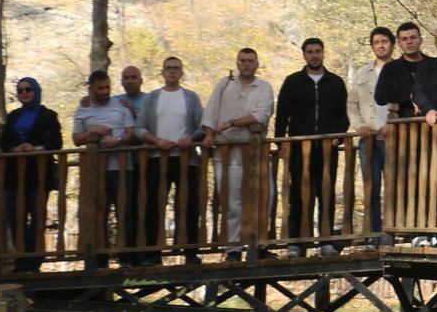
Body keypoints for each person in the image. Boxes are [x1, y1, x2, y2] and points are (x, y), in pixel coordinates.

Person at [274, 38, 350, 255]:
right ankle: (295, 243)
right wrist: (281, 143)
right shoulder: (292, 82)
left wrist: (339, 136)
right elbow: (282, 115)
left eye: (318, 51)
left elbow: (344, 115)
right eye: (310, 52)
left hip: (327, 148)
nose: (314, 55)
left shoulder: (335, 82)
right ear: (304, 55)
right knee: (298, 194)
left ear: (323, 53)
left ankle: (325, 241)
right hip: (299, 149)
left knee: (326, 193)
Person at [202, 48, 275, 252]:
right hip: (227, 155)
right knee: (232, 203)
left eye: (250, 61)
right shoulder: (224, 85)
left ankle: (259, 246)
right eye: (242, 61)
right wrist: (209, 134)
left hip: (254, 154)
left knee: (263, 198)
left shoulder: (263, 87)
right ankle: (233, 249)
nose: (246, 64)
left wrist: (231, 123)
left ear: (257, 64)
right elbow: (209, 114)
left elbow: (262, 115)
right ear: (237, 64)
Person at [136, 56, 204, 261]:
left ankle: (190, 252)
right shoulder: (152, 98)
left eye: (176, 68)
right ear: (163, 72)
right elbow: (140, 128)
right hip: (158, 158)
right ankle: (152, 253)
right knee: (154, 205)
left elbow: (202, 126)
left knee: (189, 205)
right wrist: (157, 141)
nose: (172, 71)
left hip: (186, 158)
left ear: (181, 73)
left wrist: (190, 138)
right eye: (168, 68)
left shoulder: (191, 97)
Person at [73, 69, 141, 262]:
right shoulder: (83, 109)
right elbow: (76, 139)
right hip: (95, 171)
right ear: (91, 89)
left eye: (108, 87)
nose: (105, 91)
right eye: (100, 88)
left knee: (125, 212)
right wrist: (92, 133)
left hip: (121, 167)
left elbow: (131, 133)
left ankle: (127, 258)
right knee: (98, 211)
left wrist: (117, 141)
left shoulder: (121, 107)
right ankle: (98, 260)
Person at [0, 77, 63, 270]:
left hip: (38, 175)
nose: (24, 93)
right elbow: (2, 142)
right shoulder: (13, 116)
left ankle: (34, 260)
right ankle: (20, 260)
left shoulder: (48, 116)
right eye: (20, 90)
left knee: (37, 216)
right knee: (15, 216)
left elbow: (56, 143)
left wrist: (36, 148)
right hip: (14, 175)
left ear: (36, 91)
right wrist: (13, 149)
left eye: (28, 89)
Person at [348, 26, 394, 233]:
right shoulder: (362, 73)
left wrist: (392, 125)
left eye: (384, 41)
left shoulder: (399, 70)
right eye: (376, 42)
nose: (381, 45)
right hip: (368, 139)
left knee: (394, 188)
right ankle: (374, 235)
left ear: (392, 44)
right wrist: (359, 126)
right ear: (372, 46)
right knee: (371, 189)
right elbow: (352, 104)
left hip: (393, 140)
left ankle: (393, 233)